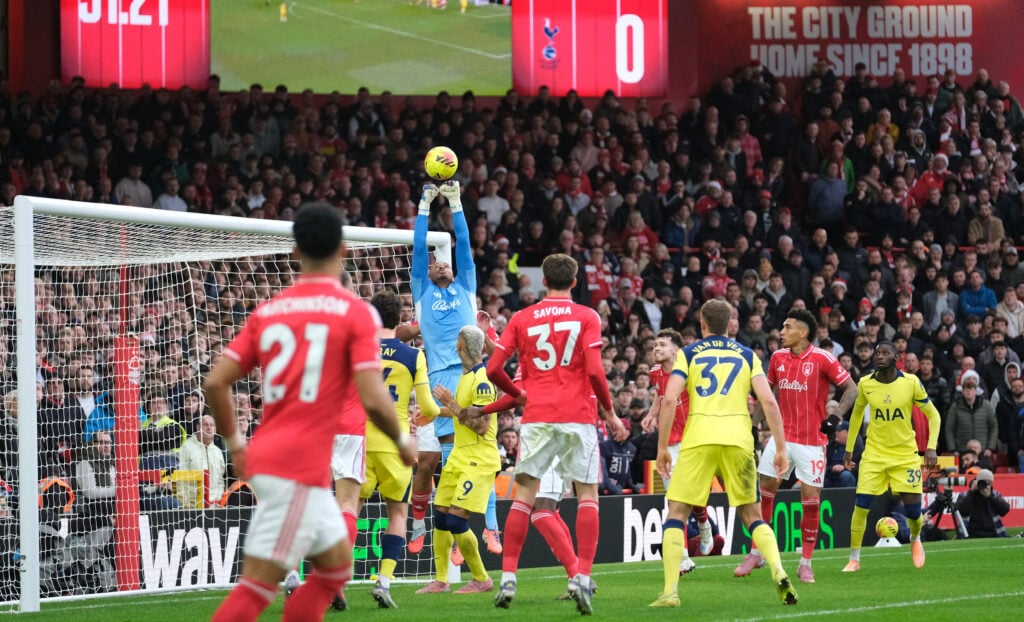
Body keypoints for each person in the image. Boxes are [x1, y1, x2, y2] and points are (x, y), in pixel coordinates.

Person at [205, 205, 414, 622]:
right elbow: (374, 399)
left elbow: (214, 383)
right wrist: (402, 440)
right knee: (257, 588)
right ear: (344, 248)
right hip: (297, 463)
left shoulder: (269, 311)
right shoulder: (356, 313)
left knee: (336, 564)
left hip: (277, 454)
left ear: (295, 251)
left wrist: (234, 443)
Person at [486, 253, 627, 615]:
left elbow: (493, 369)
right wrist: (609, 412)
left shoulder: (522, 317)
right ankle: (581, 577)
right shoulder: (586, 316)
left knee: (525, 497)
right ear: (575, 282)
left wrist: (518, 395)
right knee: (587, 496)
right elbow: (595, 370)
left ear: (542, 281)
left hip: (537, 417)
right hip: (578, 415)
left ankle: (508, 578)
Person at [649, 299, 796, 608]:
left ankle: (670, 592)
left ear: (702, 324)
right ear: (731, 324)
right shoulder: (747, 355)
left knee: (677, 512)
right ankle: (779, 571)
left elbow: (671, 398)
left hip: (699, 438)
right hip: (738, 439)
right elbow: (768, 402)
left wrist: (662, 447)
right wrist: (781, 447)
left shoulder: (688, 354)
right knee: (752, 516)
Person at [735, 309, 858, 584]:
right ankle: (757, 552)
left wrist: (835, 417)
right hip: (781, 438)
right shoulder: (777, 358)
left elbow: (852, 389)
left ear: (802, 332)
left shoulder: (823, 358)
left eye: (787, 327)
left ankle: (805, 563)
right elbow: (767, 395)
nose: (781, 331)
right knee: (764, 490)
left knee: (810, 503)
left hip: (812, 442)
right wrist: (754, 427)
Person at [407, 180, 481, 554]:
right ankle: (441, 528)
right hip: (438, 380)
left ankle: (460, 526)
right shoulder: (421, 291)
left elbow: (464, 244)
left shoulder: (466, 283)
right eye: (435, 263)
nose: (439, 264)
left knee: (468, 453)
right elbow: (419, 248)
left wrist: (454, 202)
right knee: (445, 454)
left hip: (472, 376)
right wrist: (424, 205)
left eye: (444, 263)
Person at [353, 290, 438, 606]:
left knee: (349, 511)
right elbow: (428, 405)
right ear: (400, 319)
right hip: (395, 443)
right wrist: (424, 417)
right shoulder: (413, 355)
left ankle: (332, 581)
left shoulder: (357, 351)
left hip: (358, 441)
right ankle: (384, 581)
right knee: (398, 514)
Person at [842, 341, 941, 573]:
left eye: (885, 353)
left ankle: (915, 539)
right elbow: (856, 415)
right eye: (877, 353)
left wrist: (931, 447)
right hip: (874, 454)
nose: (879, 356)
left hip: (905, 455)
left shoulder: (911, 382)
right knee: (861, 505)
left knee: (914, 513)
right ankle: (854, 559)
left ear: (896, 358)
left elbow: (933, 415)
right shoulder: (866, 383)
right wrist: (849, 448)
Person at [416, 325, 498, 594]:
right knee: (440, 517)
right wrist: (435, 413)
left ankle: (481, 579)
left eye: (457, 340)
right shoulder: (465, 376)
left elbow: (481, 426)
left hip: (478, 460)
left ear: (461, 346)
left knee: (456, 521)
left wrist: (450, 403)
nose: (456, 344)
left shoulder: (483, 382)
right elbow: (461, 412)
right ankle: (441, 580)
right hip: (459, 457)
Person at [640, 328, 712, 574]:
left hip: (693, 438)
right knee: (674, 499)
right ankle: (682, 556)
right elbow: (661, 396)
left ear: (676, 350)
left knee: (693, 496)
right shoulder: (654, 373)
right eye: (654, 345)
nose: (656, 349)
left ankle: (703, 523)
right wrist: (651, 415)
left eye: (661, 345)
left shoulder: (692, 370)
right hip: (668, 442)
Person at [177, 414, 227, 508]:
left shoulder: (218, 451)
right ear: (198, 427)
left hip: (215, 505)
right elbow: (181, 478)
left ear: (215, 429)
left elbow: (220, 479)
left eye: (212, 425)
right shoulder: (187, 447)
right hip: (193, 505)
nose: (209, 428)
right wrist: (186, 503)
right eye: (206, 425)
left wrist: (220, 500)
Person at [955, 468, 1010, 538]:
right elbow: (962, 512)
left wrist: (990, 497)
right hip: (970, 533)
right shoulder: (965, 495)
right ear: (976, 481)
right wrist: (972, 492)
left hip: (992, 533)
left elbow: (1004, 510)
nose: (985, 486)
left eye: (988, 483)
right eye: (983, 482)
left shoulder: (995, 494)